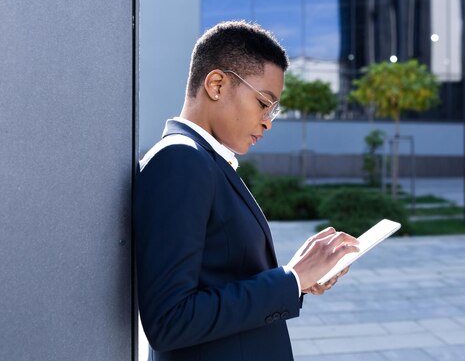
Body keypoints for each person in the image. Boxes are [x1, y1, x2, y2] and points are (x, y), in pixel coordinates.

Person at [133, 20, 360, 361]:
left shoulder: (205, 161)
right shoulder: (179, 160)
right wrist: (291, 280)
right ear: (217, 84)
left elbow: (222, 279)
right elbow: (170, 320)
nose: (269, 120)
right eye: (264, 103)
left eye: (274, 109)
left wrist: (297, 278)